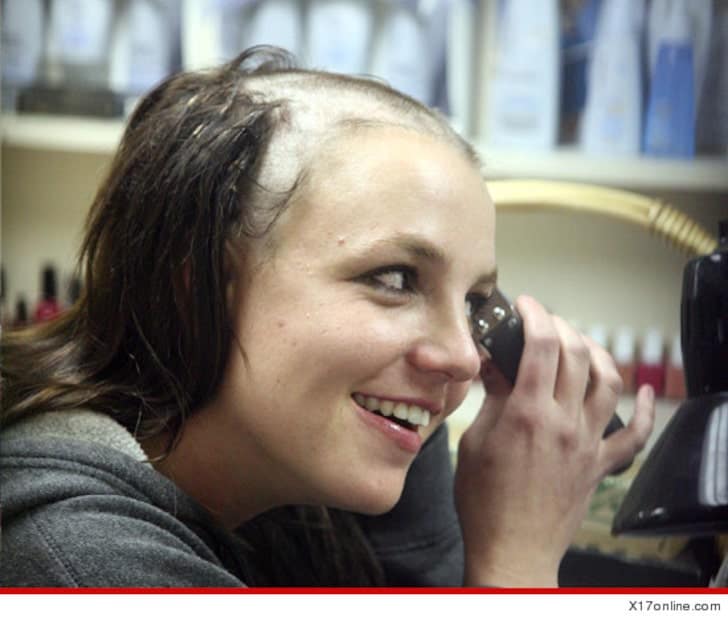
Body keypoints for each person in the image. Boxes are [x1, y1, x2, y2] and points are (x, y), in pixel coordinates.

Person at [0, 47, 655, 588]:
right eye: (395, 279)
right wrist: (518, 559)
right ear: (194, 287)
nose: (462, 356)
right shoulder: (84, 561)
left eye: (475, 303)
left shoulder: (288, 470)